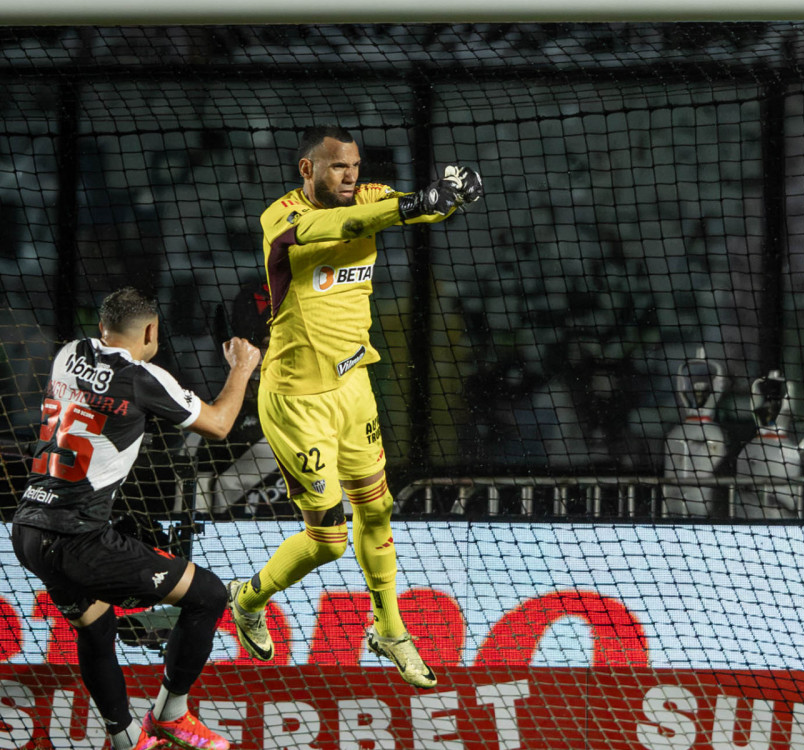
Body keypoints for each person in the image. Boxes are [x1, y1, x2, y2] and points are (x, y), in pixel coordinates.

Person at [226, 125, 482, 688]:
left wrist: (452, 192)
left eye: (355, 167)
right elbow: (347, 225)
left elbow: (412, 211)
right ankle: (246, 599)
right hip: (296, 400)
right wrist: (417, 201)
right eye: (338, 167)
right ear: (306, 169)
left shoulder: (368, 196)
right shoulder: (283, 218)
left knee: (378, 508)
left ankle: (389, 628)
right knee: (328, 541)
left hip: (352, 386)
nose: (350, 177)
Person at [11, 287, 261, 750]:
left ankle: (128, 739)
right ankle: (170, 715)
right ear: (149, 331)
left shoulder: (68, 354)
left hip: (28, 529)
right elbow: (221, 423)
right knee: (208, 595)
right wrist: (242, 368)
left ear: (102, 327)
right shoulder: (144, 377)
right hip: (78, 540)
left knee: (96, 624)